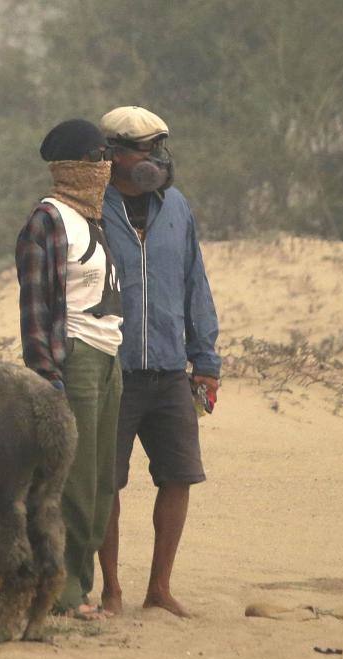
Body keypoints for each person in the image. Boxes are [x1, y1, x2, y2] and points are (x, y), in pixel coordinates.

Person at [96, 106, 221, 618]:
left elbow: (196, 282)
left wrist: (206, 359)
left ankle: (159, 588)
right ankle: (110, 591)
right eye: (145, 150)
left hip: (171, 370)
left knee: (178, 476)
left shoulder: (178, 207)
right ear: (114, 155)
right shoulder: (88, 210)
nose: (155, 160)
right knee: (106, 481)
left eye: (159, 148)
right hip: (111, 369)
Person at [15, 119, 123, 620]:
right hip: (74, 355)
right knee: (74, 482)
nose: (105, 167)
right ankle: (64, 593)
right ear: (73, 166)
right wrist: (48, 374)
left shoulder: (95, 218)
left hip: (108, 357)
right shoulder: (49, 219)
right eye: (97, 157)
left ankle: (79, 583)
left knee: (102, 483)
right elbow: (36, 306)